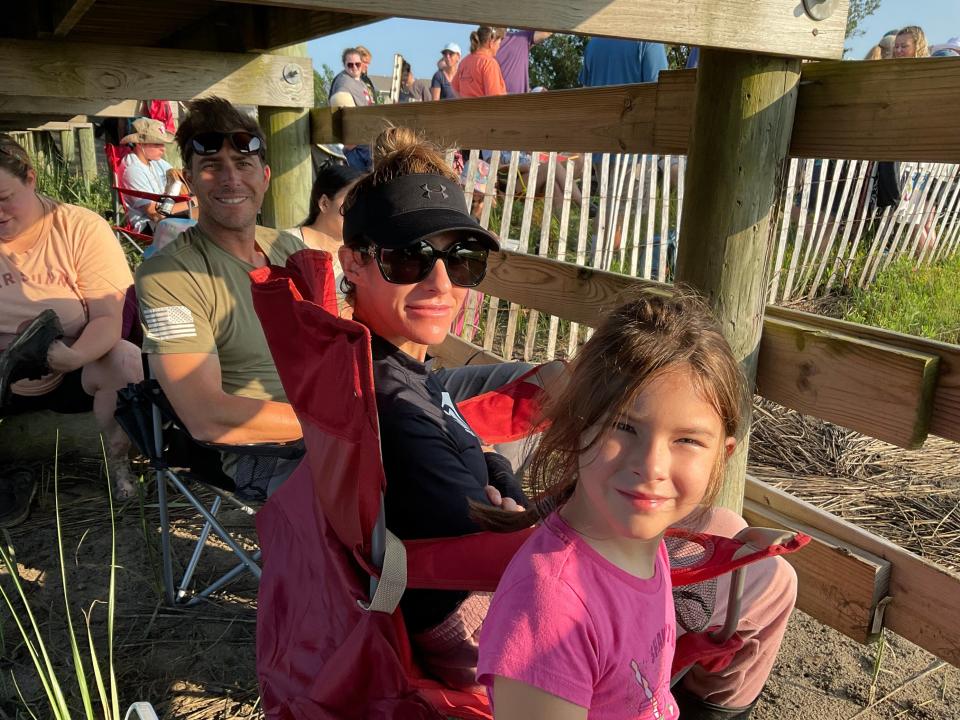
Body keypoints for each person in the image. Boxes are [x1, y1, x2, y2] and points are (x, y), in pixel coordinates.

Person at [476, 290, 786, 719]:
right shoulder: (549, 613)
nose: (652, 466)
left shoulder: (638, 540)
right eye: (624, 426)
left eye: (687, 440)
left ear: (723, 454)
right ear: (576, 424)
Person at [338, 127, 565, 689]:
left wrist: (507, 494)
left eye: (460, 258)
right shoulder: (392, 404)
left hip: (474, 582)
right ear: (354, 262)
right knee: (748, 586)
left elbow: (479, 450)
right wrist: (529, 513)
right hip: (474, 619)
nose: (440, 281)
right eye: (408, 257)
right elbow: (494, 548)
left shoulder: (400, 368)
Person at [134, 97, 306, 501]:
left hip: (335, 428)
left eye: (242, 164)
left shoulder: (284, 246)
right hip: (262, 453)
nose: (231, 179)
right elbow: (206, 416)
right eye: (212, 167)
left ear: (264, 176)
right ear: (190, 181)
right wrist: (339, 422)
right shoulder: (169, 274)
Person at [0, 134, 142, 525]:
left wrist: (74, 357)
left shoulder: (79, 227)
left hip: (73, 362)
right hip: (4, 374)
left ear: (30, 178)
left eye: (3, 198)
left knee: (126, 359)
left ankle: (119, 465)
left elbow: (108, 318)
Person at [284, 163, 365, 312]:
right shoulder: (285, 243)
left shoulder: (363, 253)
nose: (358, 212)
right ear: (324, 203)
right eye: (351, 202)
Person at [117, 117, 194, 234]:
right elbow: (155, 213)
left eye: (162, 144)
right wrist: (194, 202)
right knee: (207, 215)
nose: (163, 149)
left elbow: (179, 177)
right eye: (157, 144)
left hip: (167, 214)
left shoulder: (156, 162)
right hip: (150, 225)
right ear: (139, 143)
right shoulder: (133, 170)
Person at [579, 37, 669, 87]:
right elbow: (661, 94)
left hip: (598, 120)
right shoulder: (650, 40)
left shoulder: (592, 44)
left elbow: (585, 92)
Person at [453, 26, 507, 98]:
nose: (499, 46)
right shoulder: (489, 63)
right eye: (499, 43)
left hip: (467, 109)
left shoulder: (464, 61)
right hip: (486, 109)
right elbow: (494, 98)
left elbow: (455, 88)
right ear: (491, 42)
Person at [495, 29, 552, 94]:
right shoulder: (483, 45)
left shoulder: (520, 39)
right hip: (492, 101)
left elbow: (547, 31)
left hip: (520, 101)